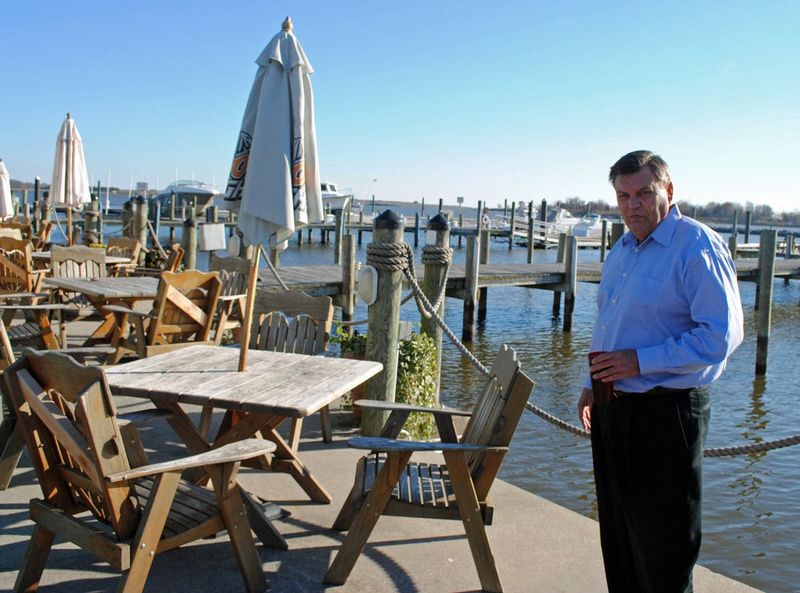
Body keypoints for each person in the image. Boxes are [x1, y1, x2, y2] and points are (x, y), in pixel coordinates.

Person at [577, 150, 744, 593]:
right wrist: (591, 386)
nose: (633, 204)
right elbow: (608, 326)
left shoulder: (697, 245)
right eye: (623, 195)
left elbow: (722, 335)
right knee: (621, 545)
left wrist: (640, 362)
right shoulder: (623, 248)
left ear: (668, 191)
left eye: (644, 193)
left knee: (664, 556)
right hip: (614, 410)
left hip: (667, 415)